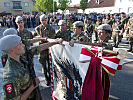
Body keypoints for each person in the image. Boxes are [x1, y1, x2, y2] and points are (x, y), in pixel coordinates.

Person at [0, 35, 63, 100]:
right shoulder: (10, 75)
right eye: (20, 44)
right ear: (11, 50)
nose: (23, 45)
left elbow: (39, 48)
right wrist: (33, 86)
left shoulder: (21, 57)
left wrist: (55, 42)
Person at [34, 14, 55, 85]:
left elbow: (52, 39)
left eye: (45, 20)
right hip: (42, 49)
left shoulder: (51, 28)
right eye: (42, 20)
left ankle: (50, 77)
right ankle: (46, 77)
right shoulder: (38, 28)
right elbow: (33, 36)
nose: (44, 21)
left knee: (50, 64)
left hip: (49, 48)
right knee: (43, 64)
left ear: (47, 20)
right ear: (40, 21)